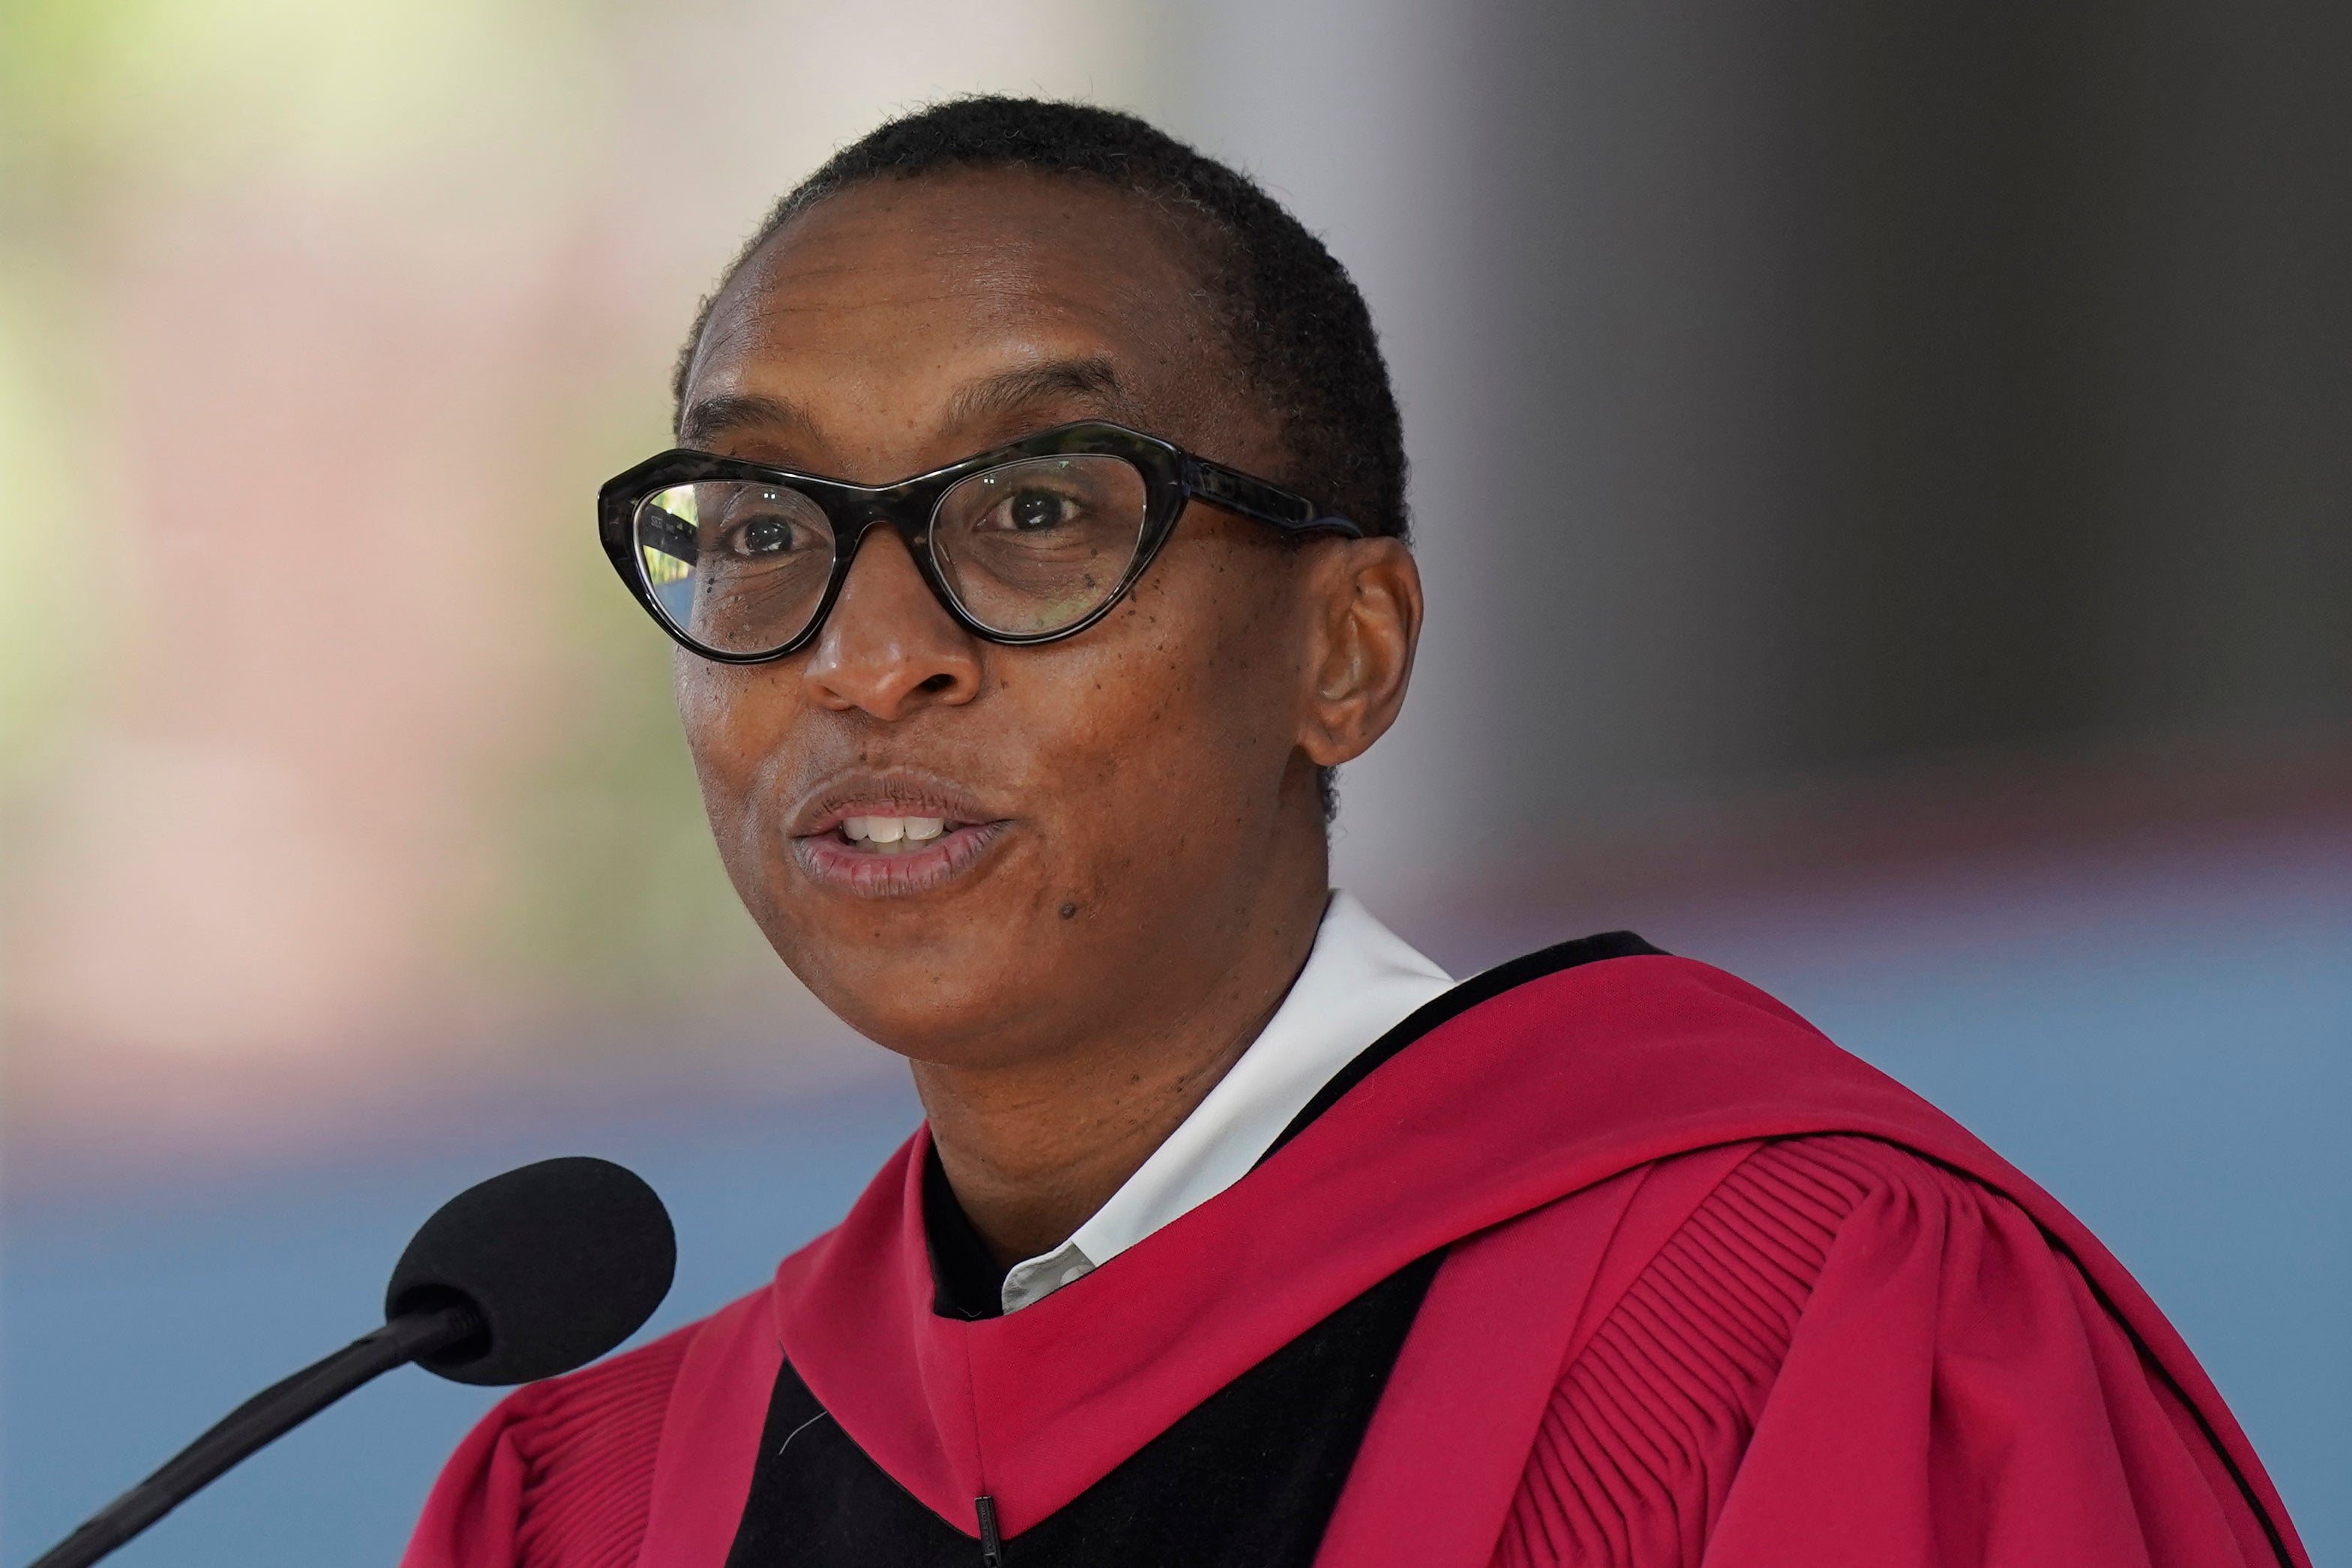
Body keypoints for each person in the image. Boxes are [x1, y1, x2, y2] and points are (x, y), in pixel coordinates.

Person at [402, 97, 2307, 1568]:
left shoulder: (1808, 1310)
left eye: (1043, 510)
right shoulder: (602, 1507)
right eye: (756, 530)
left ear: (1347, 652)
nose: (868, 652)